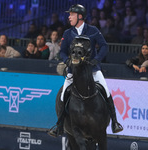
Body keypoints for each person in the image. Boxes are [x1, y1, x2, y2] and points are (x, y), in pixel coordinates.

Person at [48, 4, 123, 137]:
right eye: (69, 14)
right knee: (63, 93)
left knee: (106, 90)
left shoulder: (92, 30)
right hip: (74, 71)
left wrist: (97, 59)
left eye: (72, 14)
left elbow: (104, 46)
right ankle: (59, 124)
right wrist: (66, 61)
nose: (69, 17)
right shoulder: (67, 33)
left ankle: (115, 122)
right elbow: (63, 51)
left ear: (80, 16)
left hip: (92, 70)